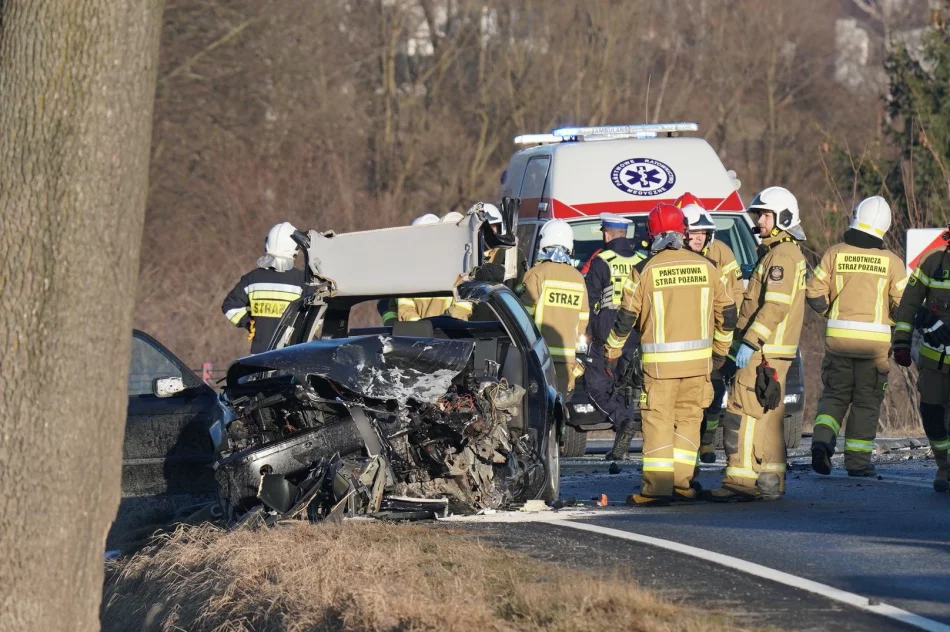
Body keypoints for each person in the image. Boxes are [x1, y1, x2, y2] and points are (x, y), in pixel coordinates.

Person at [605, 203, 737, 506]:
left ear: (653, 235)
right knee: (690, 421)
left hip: (660, 370)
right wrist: (720, 351)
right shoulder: (708, 267)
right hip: (699, 366)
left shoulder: (644, 270)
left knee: (658, 423)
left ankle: (656, 489)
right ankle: (682, 484)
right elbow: (727, 314)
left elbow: (626, 317)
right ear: (682, 233)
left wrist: (612, 350)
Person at [707, 186, 806, 502]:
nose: (759, 221)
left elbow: (775, 306)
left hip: (764, 349)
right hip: (772, 349)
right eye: (759, 214)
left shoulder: (781, 256)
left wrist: (750, 341)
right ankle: (770, 481)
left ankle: (741, 479)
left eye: (765, 215)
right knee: (770, 415)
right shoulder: (781, 252)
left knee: (742, 409)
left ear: (783, 218)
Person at [807, 197, 906, 477]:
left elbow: (813, 292)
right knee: (865, 403)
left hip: (838, 342)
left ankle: (822, 442)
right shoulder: (892, 262)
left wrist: (832, 313)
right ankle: (858, 464)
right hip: (874, 348)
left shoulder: (834, 253)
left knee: (834, 396)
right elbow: (903, 305)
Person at [678, 194, 744, 463]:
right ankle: (688, 449)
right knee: (688, 401)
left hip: (715, 338)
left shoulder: (722, 253)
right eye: (694, 231)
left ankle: (706, 444)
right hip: (684, 339)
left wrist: (727, 331)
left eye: (703, 231)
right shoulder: (673, 256)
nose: (699, 237)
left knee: (714, 393)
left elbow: (735, 293)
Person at [891, 225, 950, 493]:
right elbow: (909, 304)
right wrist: (902, 341)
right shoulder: (932, 262)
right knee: (932, 414)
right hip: (934, 363)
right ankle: (944, 465)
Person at [583, 213, 646, 461]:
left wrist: (588, 330)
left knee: (596, 387)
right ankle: (623, 434)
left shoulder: (602, 260)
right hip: (636, 333)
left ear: (607, 234)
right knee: (623, 387)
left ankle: (623, 422)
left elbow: (590, 300)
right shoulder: (643, 260)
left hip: (607, 334)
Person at [518, 219, 590, 398]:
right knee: (560, 406)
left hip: (539, 357)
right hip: (567, 359)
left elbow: (523, 316)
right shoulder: (578, 277)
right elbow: (583, 319)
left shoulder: (537, 274)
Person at [222, 222, 305, 354]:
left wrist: (249, 323)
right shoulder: (302, 281)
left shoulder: (251, 279)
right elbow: (316, 315)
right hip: (291, 356)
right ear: (294, 248)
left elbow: (230, 306)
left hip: (259, 357)